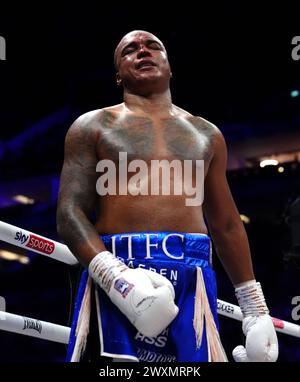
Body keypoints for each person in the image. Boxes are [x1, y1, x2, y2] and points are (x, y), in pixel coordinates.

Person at [57, 30, 278, 362]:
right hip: (120, 269)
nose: (143, 51)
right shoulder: (92, 126)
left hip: (193, 275)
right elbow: (69, 213)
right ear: (118, 74)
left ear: (169, 66)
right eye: (130, 50)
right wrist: (116, 279)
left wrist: (254, 308)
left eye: (153, 47)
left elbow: (226, 224)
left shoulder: (207, 134)